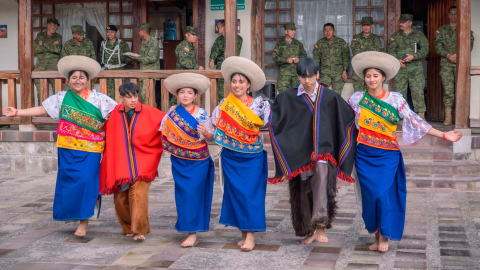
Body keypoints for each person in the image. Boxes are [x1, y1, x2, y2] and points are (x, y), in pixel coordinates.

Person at [348, 51, 462, 252]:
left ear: (384, 77)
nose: (372, 79)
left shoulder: (395, 100)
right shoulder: (356, 99)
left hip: (387, 155)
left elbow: (415, 121)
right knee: (370, 197)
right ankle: (375, 236)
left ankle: (384, 237)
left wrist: (444, 135)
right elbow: (343, 122)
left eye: (376, 75)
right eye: (368, 76)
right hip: (364, 155)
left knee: (383, 195)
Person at [3, 56, 117, 236]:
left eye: (81, 77)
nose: (78, 80)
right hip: (68, 149)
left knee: (87, 181)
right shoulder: (62, 98)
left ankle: (84, 221)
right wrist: (17, 112)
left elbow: (118, 113)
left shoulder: (99, 99)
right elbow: (42, 109)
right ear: (68, 81)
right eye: (74, 77)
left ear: (88, 80)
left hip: (91, 150)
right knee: (70, 182)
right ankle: (74, 214)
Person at [268, 58, 357, 244]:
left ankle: (320, 226)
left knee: (322, 185)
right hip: (300, 153)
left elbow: (347, 116)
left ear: (317, 75)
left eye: (310, 76)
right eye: (302, 76)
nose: (307, 81)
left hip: (323, 152)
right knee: (302, 190)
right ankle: (308, 230)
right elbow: (276, 120)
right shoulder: (288, 98)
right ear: (298, 76)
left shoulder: (330, 96)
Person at [212, 56, 270, 251]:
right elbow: (216, 126)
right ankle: (244, 233)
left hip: (251, 156)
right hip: (230, 156)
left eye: (241, 82)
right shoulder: (223, 105)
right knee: (235, 193)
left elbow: (266, 125)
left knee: (250, 194)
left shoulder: (259, 106)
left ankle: (251, 236)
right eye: (234, 81)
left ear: (248, 85)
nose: (237, 85)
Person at [99, 81, 165, 241]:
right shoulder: (113, 114)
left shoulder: (150, 112)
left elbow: (167, 123)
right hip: (120, 163)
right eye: (129, 97)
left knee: (139, 195)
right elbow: (103, 130)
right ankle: (128, 226)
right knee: (120, 198)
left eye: (135, 96)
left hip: (143, 160)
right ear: (121, 97)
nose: (133, 100)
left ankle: (140, 230)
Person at [160, 73, 215, 247]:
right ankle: (186, 226)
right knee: (183, 195)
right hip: (179, 161)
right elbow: (163, 130)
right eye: (182, 92)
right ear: (177, 94)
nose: (185, 95)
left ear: (195, 95)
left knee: (193, 194)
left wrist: (205, 133)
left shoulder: (202, 114)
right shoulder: (172, 112)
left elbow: (212, 137)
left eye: (189, 92)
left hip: (198, 161)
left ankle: (192, 232)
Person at [435, 6, 474, 125]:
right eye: (451, 13)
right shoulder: (441, 30)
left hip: (461, 64)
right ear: (448, 15)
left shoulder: (465, 29)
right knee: (448, 91)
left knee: (461, 90)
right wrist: (448, 55)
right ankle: (448, 117)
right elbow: (438, 47)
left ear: (459, 15)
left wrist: (457, 55)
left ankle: (461, 117)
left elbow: (469, 45)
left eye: (455, 13)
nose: (453, 16)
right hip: (446, 64)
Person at [388, 14, 429, 120]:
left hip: (416, 69)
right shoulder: (396, 36)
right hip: (401, 69)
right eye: (400, 22)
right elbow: (391, 49)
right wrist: (397, 60)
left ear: (410, 23)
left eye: (403, 22)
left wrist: (414, 56)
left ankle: (421, 117)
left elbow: (425, 49)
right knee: (400, 94)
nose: (400, 24)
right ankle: (401, 118)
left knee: (418, 92)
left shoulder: (419, 34)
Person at [209, 20, 243, 101]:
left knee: (232, 90)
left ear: (224, 27)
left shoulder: (237, 38)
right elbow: (214, 51)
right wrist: (212, 59)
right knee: (220, 92)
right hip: (220, 68)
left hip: (232, 68)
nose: (217, 29)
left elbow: (233, 53)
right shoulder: (219, 39)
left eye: (219, 27)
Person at [313, 23, 350, 95]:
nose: (328, 32)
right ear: (323, 32)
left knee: (336, 95)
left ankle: (335, 106)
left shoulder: (341, 42)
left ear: (334, 31)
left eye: (330, 30)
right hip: (325, 74)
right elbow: (316, 58)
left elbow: (345, 57)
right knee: (321, 93)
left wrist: (345, 70)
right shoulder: (320, 43)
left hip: (338, 74)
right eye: (326, 30)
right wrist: (316, 71)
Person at [127, 23, 160, 103]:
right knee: (143, 95)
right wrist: (134, 58)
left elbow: (152, 58)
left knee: (148, 96)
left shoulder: (153, 42)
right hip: (143, 73)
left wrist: (138, 58)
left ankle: (151, 114)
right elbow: (143, 57)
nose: (138, 33)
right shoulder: (144, 42)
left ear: (143, 31)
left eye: (139, 31)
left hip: (150, 73)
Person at [272, 22, 307, 93]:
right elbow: (274, 57)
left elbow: (304, 55)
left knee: (298, 94)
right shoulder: (280, 44)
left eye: (294, 30)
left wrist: (299, 59)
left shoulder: (298, 44)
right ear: (286, 31)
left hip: (296, 74)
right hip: (284, 75)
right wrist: (286, 60)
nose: (294, 32)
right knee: (283, 94)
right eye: (291, 30)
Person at [34, 18, 62, 104]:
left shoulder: (58, 37)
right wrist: (51, 46)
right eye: (54, 25)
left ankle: (58, 113)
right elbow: (36, 48)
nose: (56, 27)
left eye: (57, 25)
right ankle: (42, 113)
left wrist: (43, 44)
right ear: (48, 25)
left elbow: (57, 50)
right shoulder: (40, 35)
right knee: (41, 93)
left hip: (54, 67)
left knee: (58, 92)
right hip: (41, 67)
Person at [351, 17, 382, 92]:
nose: (366, 27)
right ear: (361, 26)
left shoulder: (376, 39)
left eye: (368, 25)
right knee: (358, 93)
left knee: (372, 92)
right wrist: (368, 51)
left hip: (372, 68)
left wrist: (362, 48)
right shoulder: (356, 38)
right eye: (364, 25)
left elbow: (376, 52)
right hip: (359, 68)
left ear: (372, 26)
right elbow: (355, 52)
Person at [101, 25, 132, 99]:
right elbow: (102, 56)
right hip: (107, 71)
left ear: (116, 33)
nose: (109, 34)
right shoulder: (103, 44)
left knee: (121, 91)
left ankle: (121, 109)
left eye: (112, 32)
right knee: (108, 92)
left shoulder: (122, 43)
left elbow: (128, 57)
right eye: (108, 32)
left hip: (119, 70)